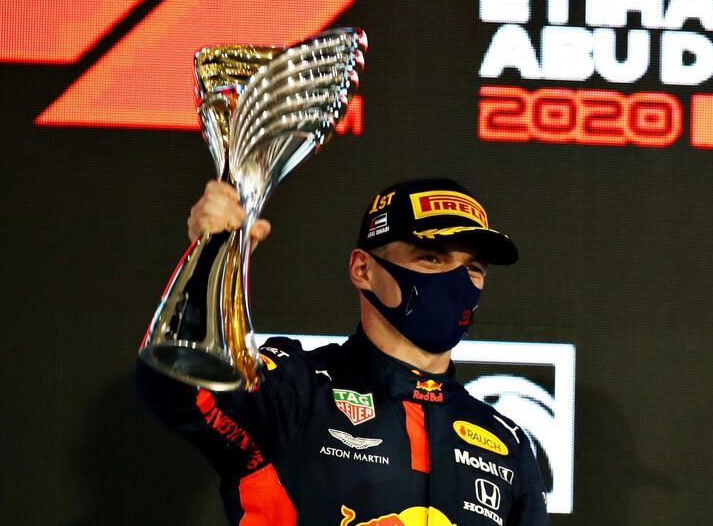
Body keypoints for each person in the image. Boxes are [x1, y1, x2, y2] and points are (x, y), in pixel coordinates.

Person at [137, 177, 550, 526]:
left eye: (473, 268)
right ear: (363, 269)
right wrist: (211, 260)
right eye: (431, 257)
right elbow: (178, 384)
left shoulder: (506, 442)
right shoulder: (298, 390)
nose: (458, 280)